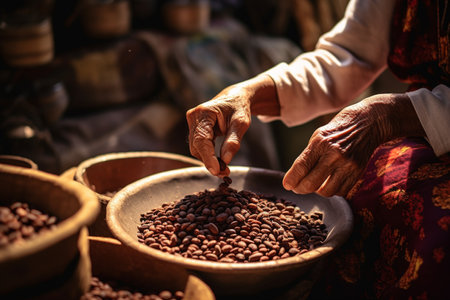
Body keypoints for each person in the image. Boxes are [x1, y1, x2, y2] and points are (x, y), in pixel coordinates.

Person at [186, 0, 449, 298]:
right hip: (416, 134)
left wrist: (393, 114)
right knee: (354, 198)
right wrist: (248, 92)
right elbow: (347, 55)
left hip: (424, 126)